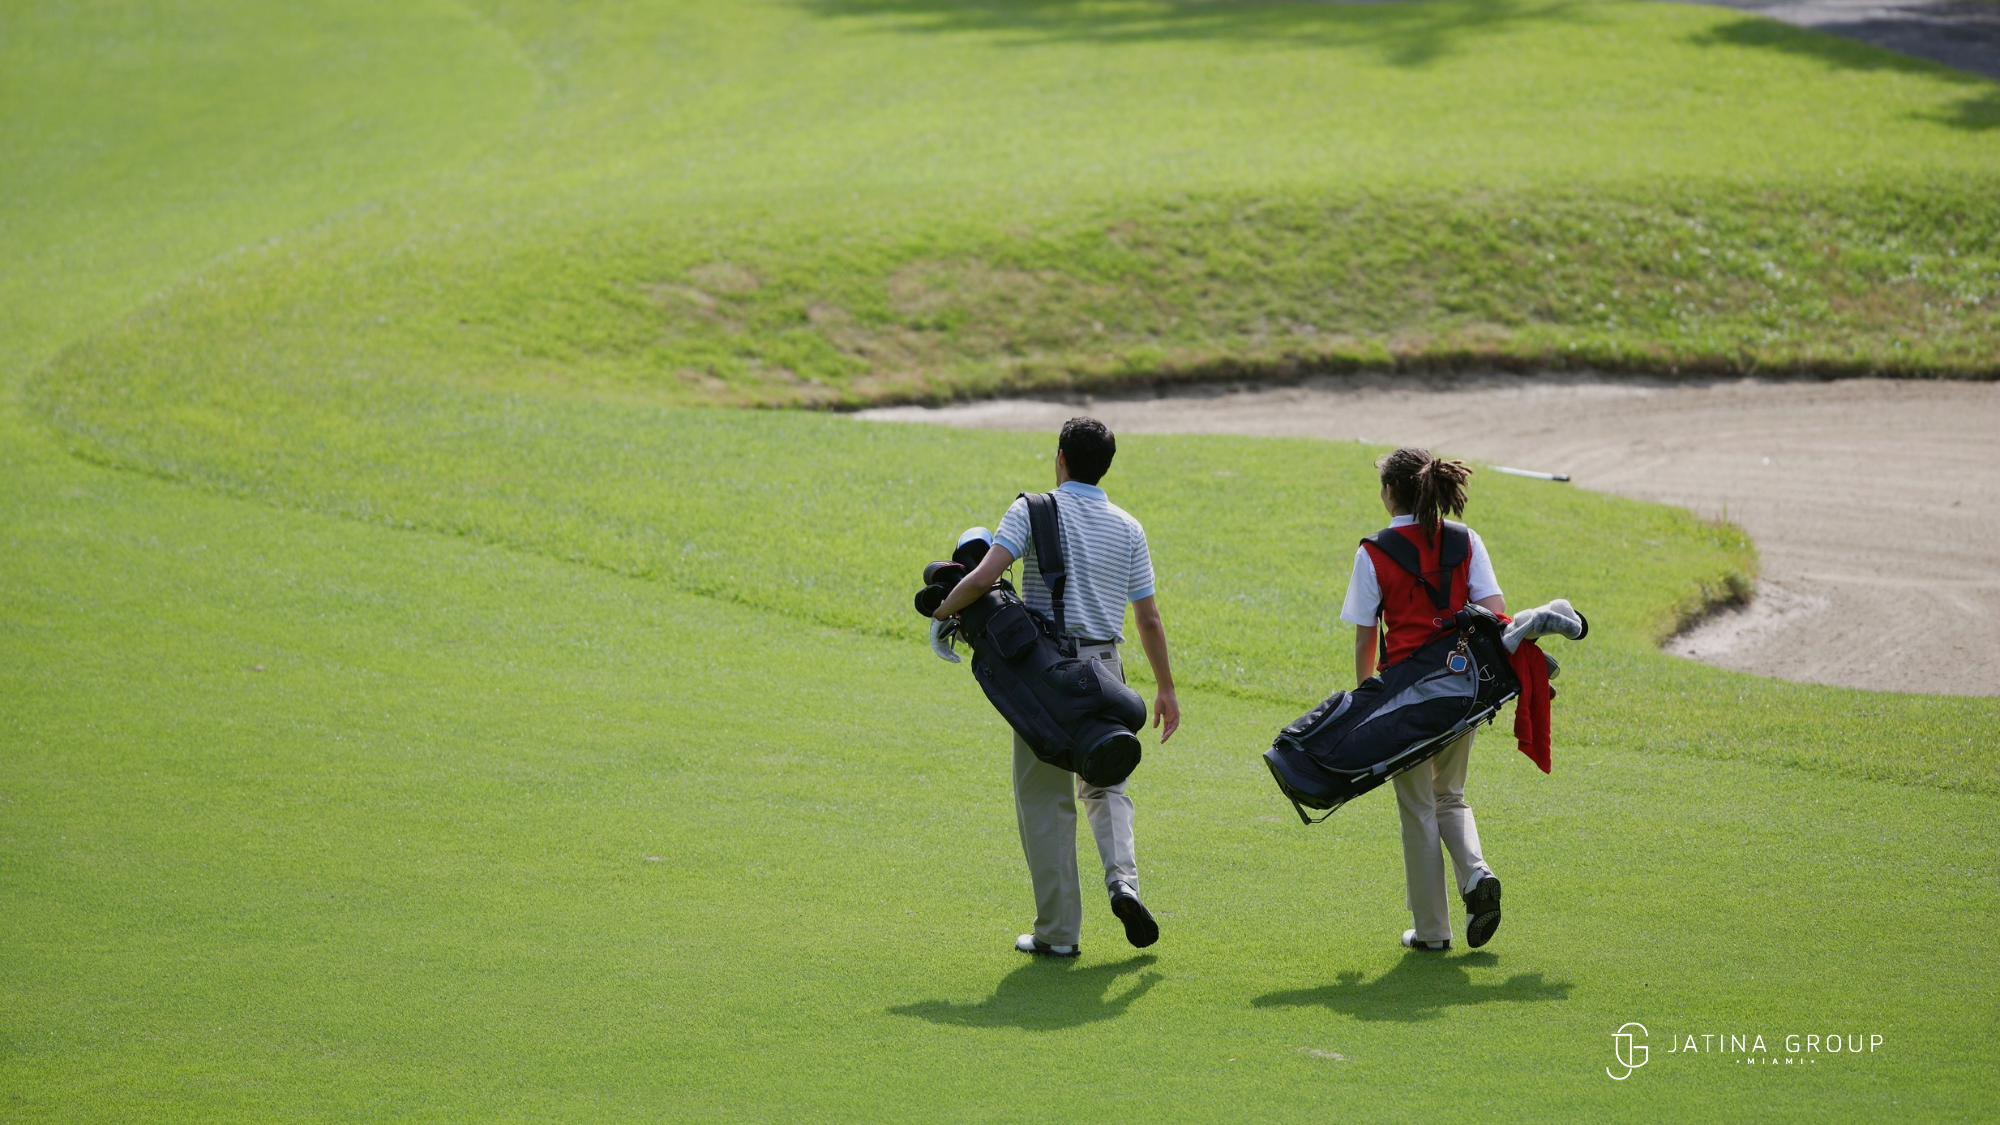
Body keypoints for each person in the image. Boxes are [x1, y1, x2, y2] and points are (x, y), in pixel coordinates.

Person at [932, 417, 1181, 958]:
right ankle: (1124, 884)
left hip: (1045, 676)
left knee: (1045, 802)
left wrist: (940, 612)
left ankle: (1059, 933)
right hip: (1106, 673)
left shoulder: (1031, 509)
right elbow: (1150, 619)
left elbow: (982, 578)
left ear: (1061, 457)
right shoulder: (1128, 526)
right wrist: (1166, 688)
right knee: (1106, 784)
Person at [1338, 447, 1505, 952]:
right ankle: (1476, 873)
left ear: (1391, 492)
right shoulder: (1465, 539)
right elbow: (1496, 614)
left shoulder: (1373, 551)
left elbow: (1367, 637)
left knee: (1417, 808)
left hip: (1406, 702)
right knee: (1449, 795)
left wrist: (1366, 695)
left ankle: (1433, 933)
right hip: (1465, 689)